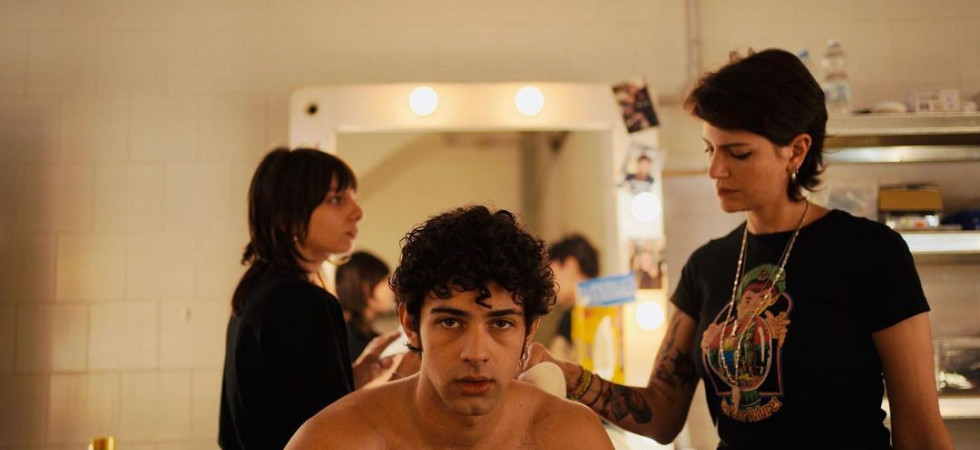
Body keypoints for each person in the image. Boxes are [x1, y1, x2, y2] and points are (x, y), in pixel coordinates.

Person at [527, 49, 953, 449]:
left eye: (738, 153)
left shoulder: (870, 252)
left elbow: (920, 428)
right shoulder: (707, 265)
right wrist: (569, 375)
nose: (715, 169)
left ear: (797, 150)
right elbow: (660, 412)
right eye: (710, 149)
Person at [287, 206, 614, 450]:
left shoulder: (571, 437)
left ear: (528, 333)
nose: (476, 353)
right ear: (410, 324)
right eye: (450, 322)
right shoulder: (334, 440)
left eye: (501, 323)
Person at [219, 148, 400, 450]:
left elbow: (282, 408)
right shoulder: (303, 301)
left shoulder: (254, 290)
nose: (357, 212)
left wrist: (351, 379)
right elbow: (327, 433)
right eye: (336, 199)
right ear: (285, 217)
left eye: (352, 197)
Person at [543, 234, 599, 359]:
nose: (550, 286)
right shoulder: (570, 315)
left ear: (570, 266)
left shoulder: (574, 315)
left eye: (551, 275)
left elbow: (554, 362)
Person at [335, 251, 396, 360]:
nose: (391, 288)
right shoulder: (343, 339)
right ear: (364, 286)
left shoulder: (372, 337)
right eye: (384, 280)